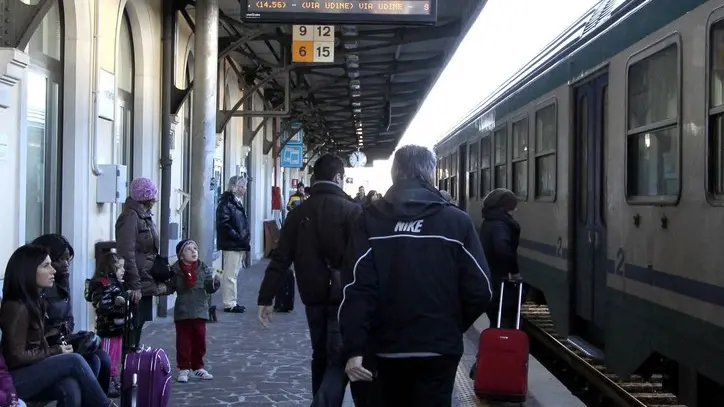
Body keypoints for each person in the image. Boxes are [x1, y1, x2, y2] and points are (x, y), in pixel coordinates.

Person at [339, 145, 493, 407]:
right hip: (439, 348)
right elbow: (482, 289)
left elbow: (356, 288)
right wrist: (450, 324)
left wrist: (354, 348)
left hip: (384, 349)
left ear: (394, 173)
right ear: (431, 173)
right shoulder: (457, 221)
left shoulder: (370, 221)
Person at [257, 154, 374, 407]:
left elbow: (280, 259)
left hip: (312, 297)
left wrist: (265, 298)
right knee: (339, 356)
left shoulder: (298, 213)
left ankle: (319, 398)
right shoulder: (354, 211)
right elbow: (365, 260)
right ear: (338, 178)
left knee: (320, 354)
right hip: (345, 298)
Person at [0, 244, 114, 407]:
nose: (53, 270)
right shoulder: (18, 307)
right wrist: (55, 351)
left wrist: (58, 349)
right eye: (46, 266)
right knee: (74, 361)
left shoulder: (35, 301)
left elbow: (40, 342)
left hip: (31, 368)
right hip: (13, 380)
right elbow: (15, 357)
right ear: (29, 270)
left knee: (71, 385)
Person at [31, 234, 113, 397]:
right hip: (46, 349)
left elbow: (69, 318)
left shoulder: (61, 281)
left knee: (102, 357)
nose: (66, 264)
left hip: (60, 342)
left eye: (68, 259)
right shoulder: (36, 291)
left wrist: (68, 335)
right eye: (60, 259)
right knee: (91, 362)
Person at [116, 177, 169, 347]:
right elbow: (126, 252)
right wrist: (135, 285)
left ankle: (134, 356)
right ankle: (129, 362)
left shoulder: (143, 215)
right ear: (146, 197)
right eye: (153, 195)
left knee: (138, 323)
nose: (155, 199)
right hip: (137, 278)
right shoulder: (131, 217)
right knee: (133, 323)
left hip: (145, 275)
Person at [166, 240, 220, 383]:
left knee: (199, 339)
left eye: (195, 248)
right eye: (189, 249)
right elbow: (169, 288)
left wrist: (215, 283)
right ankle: (184, 368)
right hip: (183, 310)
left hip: (200, 308)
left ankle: (198, 367)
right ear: (181, 255)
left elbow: (209, 287)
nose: (193, 251)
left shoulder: (203, 268)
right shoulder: (176, 270)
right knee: (183, 341)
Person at [478, 188, 522, 328]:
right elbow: (502, 249)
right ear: (507, 207)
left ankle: (496, 346)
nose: (516, 210)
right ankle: (504, 347)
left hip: (492, 278)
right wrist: (513, 271)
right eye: (514, 206)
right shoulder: (500, 225)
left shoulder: (489, 221)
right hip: (501, 282)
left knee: (496, 319)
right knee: (504, 320)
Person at [88, 252, 128, 397]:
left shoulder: (115, 284)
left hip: (117, 328)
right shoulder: (104, 285)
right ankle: (107, 380)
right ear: (110, 269)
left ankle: (113, 377)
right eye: (120, 267)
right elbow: (103, 306)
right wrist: (118, 306)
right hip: (108, 329)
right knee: (107, 355)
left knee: (115, 355)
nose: (123, 270)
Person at [215, 175, 250, 314]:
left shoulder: (235, 202)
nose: (244, 189)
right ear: (235, 187)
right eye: (242, 186)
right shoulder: (226, 203)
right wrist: (238, 236)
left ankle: (232, 301)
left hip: (237, 243)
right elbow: (224, 224)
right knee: (230, 274)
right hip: (232, 244)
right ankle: (229, 303)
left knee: (234, 273)